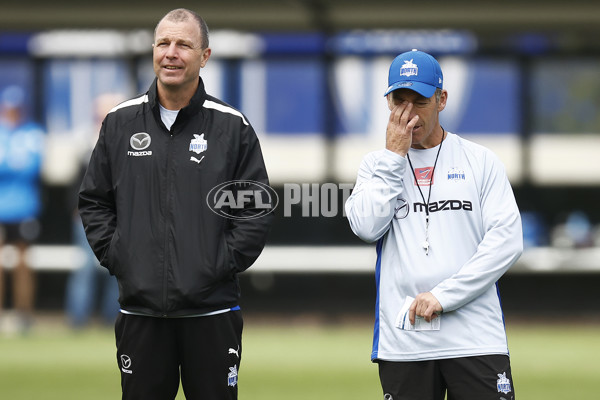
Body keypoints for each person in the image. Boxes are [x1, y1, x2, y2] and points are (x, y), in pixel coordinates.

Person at [78, 8, 273, 400]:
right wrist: (123, 257)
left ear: (204, 56)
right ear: (153, 50)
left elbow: (254, 209)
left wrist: (215, 264)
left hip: (212, 313)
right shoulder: (119, 123)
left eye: (183, 44)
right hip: (141, 313)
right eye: (163, 43)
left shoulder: (232, 126)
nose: (171, 52)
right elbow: (94, 201)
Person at [345, 49, 523, 400]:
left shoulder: (479, 161)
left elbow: (507, 242)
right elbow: (366, 227)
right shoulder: (376, 166)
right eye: (399, 100)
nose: (408, 112)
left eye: (420, 100)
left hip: (475, 339)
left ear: (441, 99)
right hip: (406, 343)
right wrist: (394, 158)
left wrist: (444, 296)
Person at [65, 94, 124, 328]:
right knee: (85, 269)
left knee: (116, 269)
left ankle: (113, 318)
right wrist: (76, 209)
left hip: (117, 217)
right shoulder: (85, 141)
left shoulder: (126, 141)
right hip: (87, 217)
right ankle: (77, 319)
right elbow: (76, 182)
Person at [0, 85, 44, 335]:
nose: (13, 113)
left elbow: (33, 167)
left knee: (23, 263)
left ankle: (23, 314)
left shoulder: (32, 133)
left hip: (24, 205)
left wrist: (9, 165)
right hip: (2, 206)